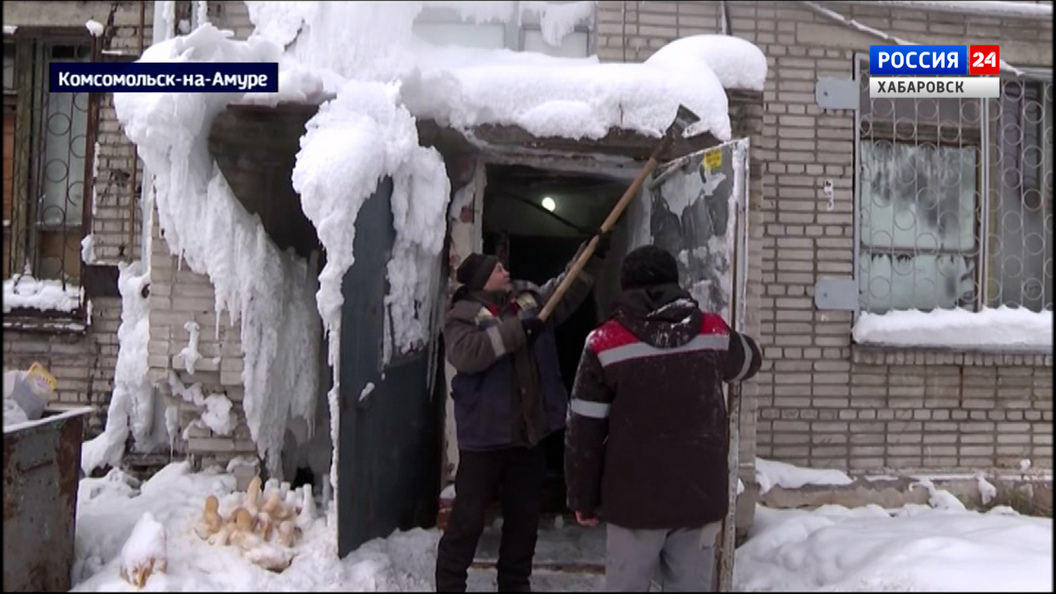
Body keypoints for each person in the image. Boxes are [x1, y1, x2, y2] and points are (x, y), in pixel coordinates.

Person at [564, 245, 762, 592]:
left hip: (632, 504)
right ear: (675, 282)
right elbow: (749, 361)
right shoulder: (712, 332)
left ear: (625, 286)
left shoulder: (604, 341)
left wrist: (583, 497)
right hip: (698, 499)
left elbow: (584, 431)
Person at [435, 233, 610, 593]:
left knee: (523, 521)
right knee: (467, 521)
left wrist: (589, 256)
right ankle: (450, 585)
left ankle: (515, 585)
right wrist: (519, 331)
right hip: (484, 438)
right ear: (482, 279)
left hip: (528, 435)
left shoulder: (528, 299)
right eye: (497, 268)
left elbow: (565, 288)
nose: (506, 270)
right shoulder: (462, 316)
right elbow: (469, 354)